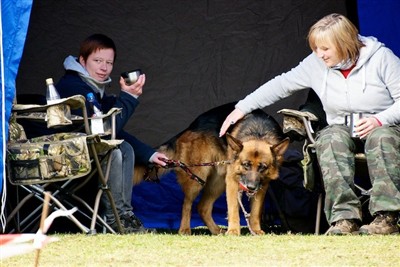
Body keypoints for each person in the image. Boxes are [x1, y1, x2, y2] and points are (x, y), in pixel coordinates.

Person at [219, 13, 400, 235]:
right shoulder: (316, 64)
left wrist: (380, 119)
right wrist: (242, 108)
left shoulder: (382, 58)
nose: (319, 54)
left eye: (325, 48)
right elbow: (281, 84)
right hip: (343, 128)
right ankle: (344, 219)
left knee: (381, 136)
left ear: (344, 43)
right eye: (316, 48)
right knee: (330, 139)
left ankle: (386, 218)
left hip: (385, 127)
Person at [56, 33, 168, 234]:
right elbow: (106, 131)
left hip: (84, 149)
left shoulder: (94, 89)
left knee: (122, 146)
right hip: (63, 154)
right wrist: (129, 97)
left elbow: (115, 130)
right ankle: (115, 218)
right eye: (97, 61)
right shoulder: (75, 86)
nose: (104, 67)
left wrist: (149, 154)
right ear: (82, 61)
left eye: (109, 62)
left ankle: (123, 216)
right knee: (115, 150)